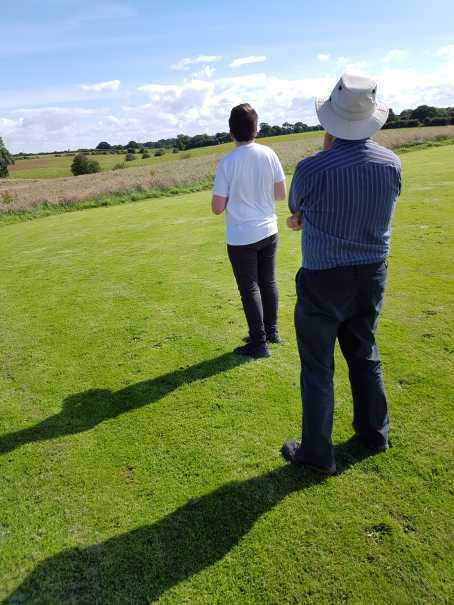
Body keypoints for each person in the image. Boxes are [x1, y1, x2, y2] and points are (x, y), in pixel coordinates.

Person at [281, 74, 402, 475]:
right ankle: (375, 433)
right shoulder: (392, 163)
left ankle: (317, 453)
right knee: (364, 352)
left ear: (330, 121)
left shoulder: (311, 168)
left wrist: (327, 148)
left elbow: (297, 207)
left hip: (323, 277)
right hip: (372, 273)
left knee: (318, 367)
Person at [211, 103, 287, 359]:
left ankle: (258, 343)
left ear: (231, 132)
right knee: (268, 282)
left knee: (250, 289)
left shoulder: (227, 163)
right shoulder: (269, 154)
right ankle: (271, 332)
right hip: (269, 229)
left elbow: (217, 208)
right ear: (256, 129)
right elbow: (280, 194)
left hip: (241, 236)